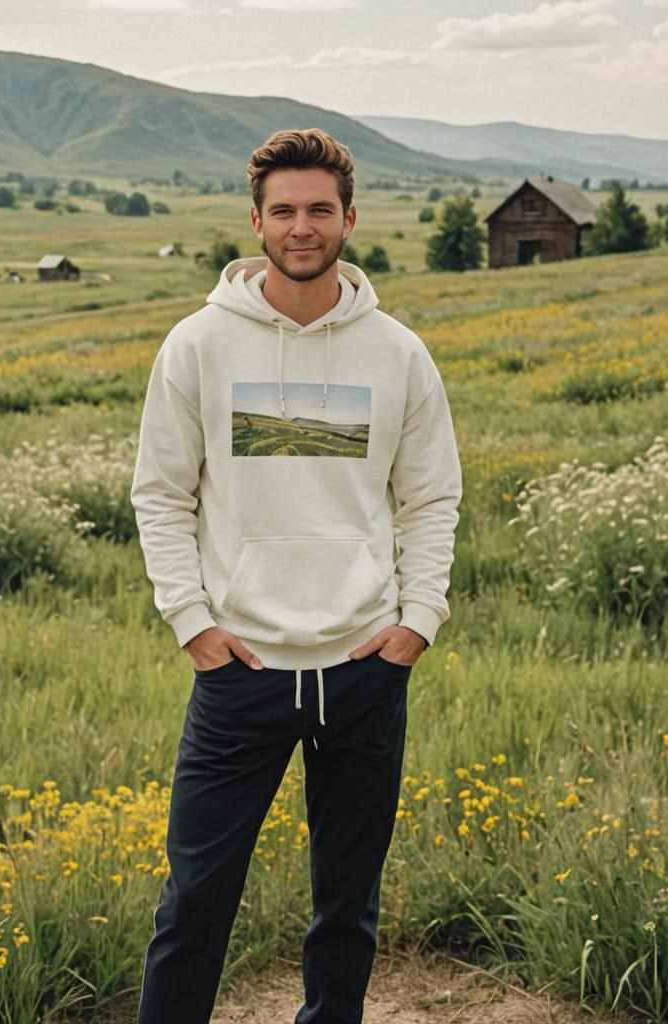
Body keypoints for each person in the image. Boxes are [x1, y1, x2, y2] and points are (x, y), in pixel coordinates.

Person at [130, 127, 462, 1024]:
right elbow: (159, 496)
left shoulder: (398, 353)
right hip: (240, 675)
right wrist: (194, 626)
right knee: (194, 904)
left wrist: (415, 624)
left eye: (320, 209)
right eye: (285, 211)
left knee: (346, 911)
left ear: (349, 219)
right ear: (257, 222)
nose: (301, 226)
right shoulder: (197, 345)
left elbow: (432, 499)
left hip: (364, 669)